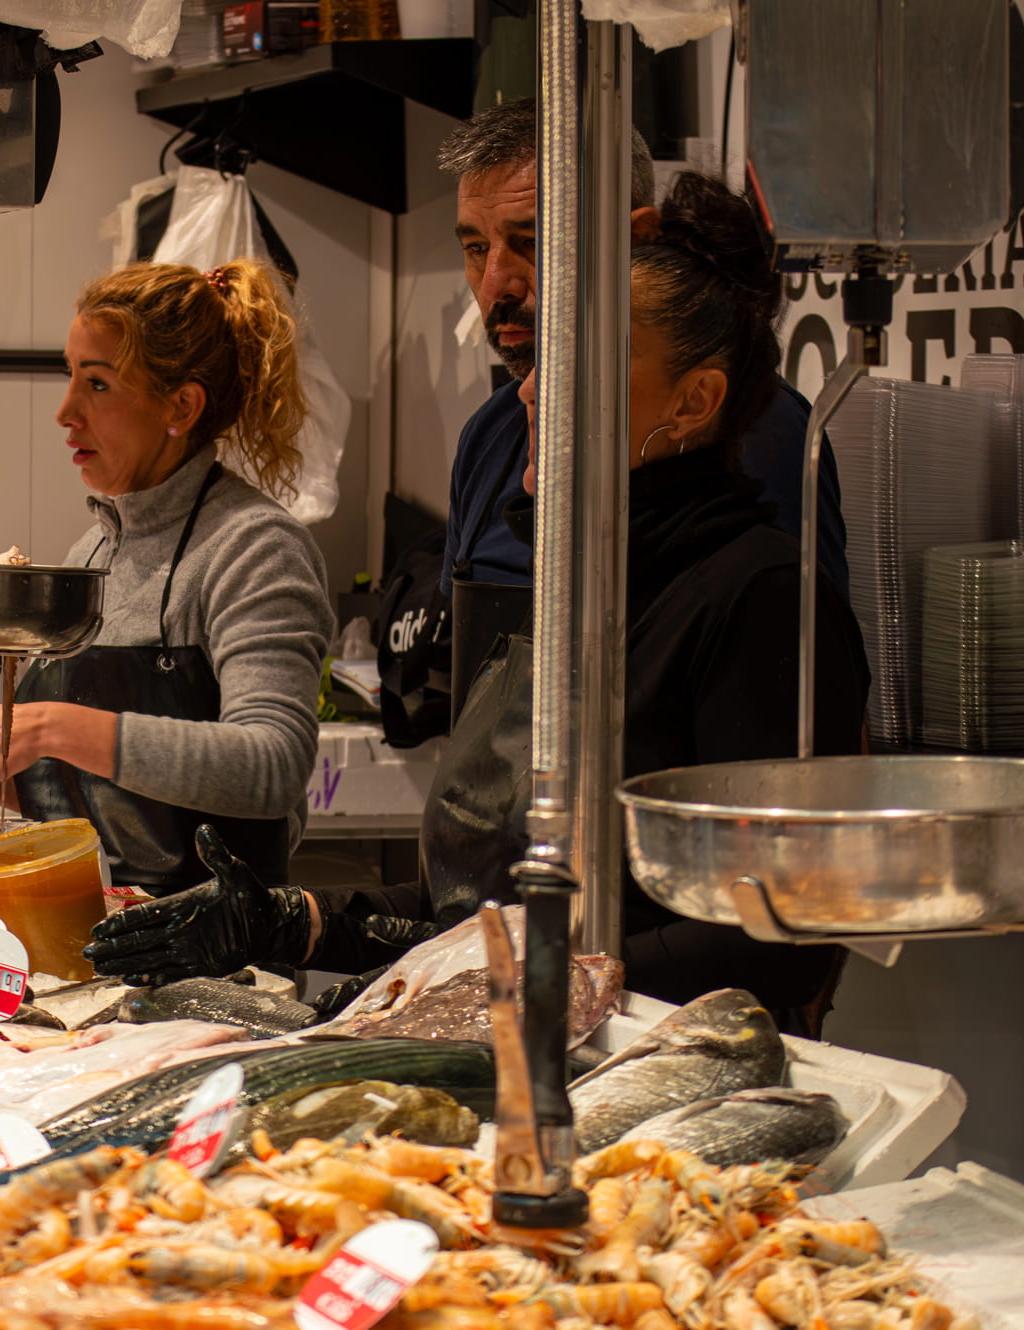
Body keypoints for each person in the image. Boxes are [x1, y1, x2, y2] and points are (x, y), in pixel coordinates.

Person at [84, 174, 871, 1025]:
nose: (531, 389)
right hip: (515, 1050)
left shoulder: (758, 596)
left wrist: (498, 985)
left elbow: (774, 944)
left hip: (655, 1088)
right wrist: (295, 922)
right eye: (543, 361)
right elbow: (472, 906)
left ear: (693, 402)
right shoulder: (573, 590)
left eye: (578, 362)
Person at [0, 260, 336, 893]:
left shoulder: (253, 546)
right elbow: (88, 793)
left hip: (211, 961)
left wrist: (47, 726)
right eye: (69, 375)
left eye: (98, 384)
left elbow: (272, 765)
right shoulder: (92, 552)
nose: (65, 411)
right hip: (86, 936)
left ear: (181, 406)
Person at [437, 98, 849, 609]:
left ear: (635, 238)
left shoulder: (756, 431)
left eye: (534, 241)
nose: (497, 284)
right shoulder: (489, 432)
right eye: (476, 248)